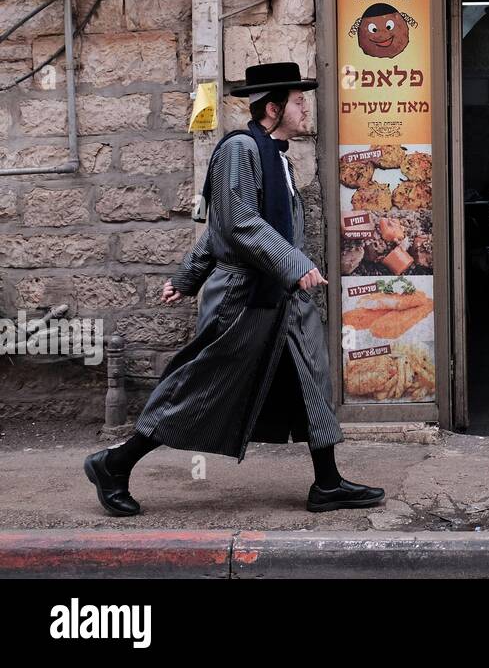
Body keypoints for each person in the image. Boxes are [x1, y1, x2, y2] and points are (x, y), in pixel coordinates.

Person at [83, 61, 384, 517]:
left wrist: (188, 276)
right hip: (244, 301)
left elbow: (226, 223)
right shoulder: (240, 149)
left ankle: (327, 483)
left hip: (280, 300)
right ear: (272, 107)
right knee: (203, 386)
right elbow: (238, 223)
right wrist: (294, 263)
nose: (305, 108)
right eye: (298, 101)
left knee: (311, 380)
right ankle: (114, 463)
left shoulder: (274, 154)